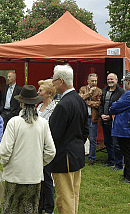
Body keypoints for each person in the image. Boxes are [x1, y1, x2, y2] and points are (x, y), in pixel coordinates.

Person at [0, 85, 56, 214]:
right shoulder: (43, 123)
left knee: (11, 209)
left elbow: (4, 150)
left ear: (21, 103)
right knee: (30, 209)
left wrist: (6, 163)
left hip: (14, 175)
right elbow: (51, 151)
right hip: (34, 176)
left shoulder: (14, 122)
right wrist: (39, 164)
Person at [49, 64, 89, 214]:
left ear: (60, 81)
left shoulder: (63, 105)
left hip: (63, 157)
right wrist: (76, 143)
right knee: (73, 194)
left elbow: (53, 135)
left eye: (53, 80)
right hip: (76, 153)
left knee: (64, 197)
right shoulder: (79, 100)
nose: (52, 83)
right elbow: (85, 130)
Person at [36, 79, 57, 214]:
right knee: (39, 178)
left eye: (41, 90)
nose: (38, 92)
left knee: (47, 177)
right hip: (36, 147)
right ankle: (40, 204)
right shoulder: (38, 107)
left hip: (47, 148)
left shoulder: (55, 109)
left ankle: (49, 207)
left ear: (49, 93)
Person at [98, 73, 125, 171]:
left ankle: (119, 164)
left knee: (116, 144)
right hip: (105, 121)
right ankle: (110, 161)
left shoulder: (121, 92)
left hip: (115, 122)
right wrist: (101, 115)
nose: (110, 81)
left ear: (117, 80)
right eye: (108, 79)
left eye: (112, 79)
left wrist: (111, 116)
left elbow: (121, 107)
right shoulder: (104, 91)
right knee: (107, 142)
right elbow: (100, 105)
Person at [79, 73, 102, 166]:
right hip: (83, 118)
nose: (94, 82)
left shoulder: (99, 91)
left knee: (92, 139)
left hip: (92, 118)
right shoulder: (83, 89)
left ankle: (91, 158)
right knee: (81, 138)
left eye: (95, 81)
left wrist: (87, 102)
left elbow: (98, 104)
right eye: (92, 80)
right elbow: (80, 99)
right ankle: (80, 157)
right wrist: (89, 94)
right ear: (88, 81)